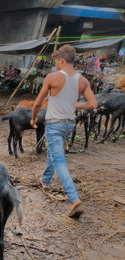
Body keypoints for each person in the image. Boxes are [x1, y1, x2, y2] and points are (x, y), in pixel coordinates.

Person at [31, 45, 97, 219]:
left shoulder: (52, 77)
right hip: (69, 125)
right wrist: (76, 105)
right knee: (54, 153)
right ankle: (45, 182)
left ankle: (74, 200)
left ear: (61, 60)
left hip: (54, 124)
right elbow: (92, 104)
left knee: (59, 160)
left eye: (56, 62)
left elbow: (38, 102)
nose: (56, 66)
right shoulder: (83, 80)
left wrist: (33, 118)